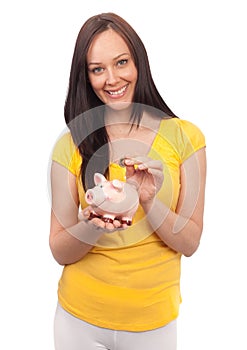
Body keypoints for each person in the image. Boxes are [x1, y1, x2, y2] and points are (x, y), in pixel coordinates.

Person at [49, 12, 206, 350]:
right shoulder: (71, 144)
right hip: (79, 321)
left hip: (152, 325)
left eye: (121, 62)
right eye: (97, 69)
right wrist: (92, 225)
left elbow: (190, 243)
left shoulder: (185, 138)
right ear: (86, 77)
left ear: (139, 63)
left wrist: (149, 199)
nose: (112, 78)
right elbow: (59, 249)